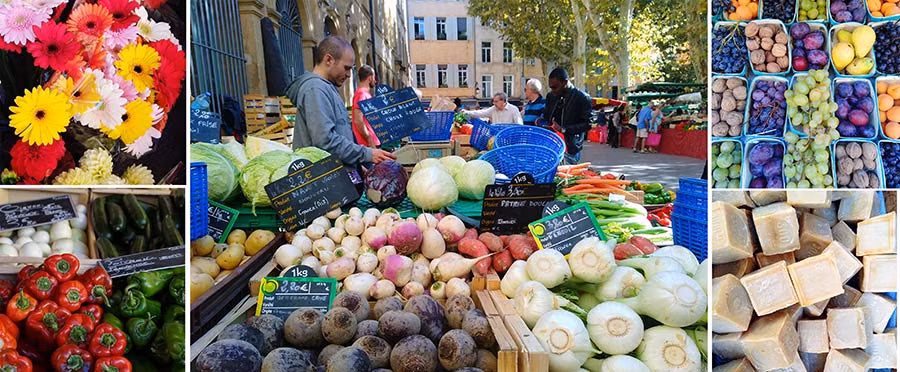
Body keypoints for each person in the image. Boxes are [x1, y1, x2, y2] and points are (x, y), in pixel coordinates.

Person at [286, 36, 395, 169]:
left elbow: (340, 134)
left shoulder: (326, 88)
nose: (349, 74)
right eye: (346, 68)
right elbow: (325, 141)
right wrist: (367, 154)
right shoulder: (315, 89)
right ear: (328, 60)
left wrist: (358, 166)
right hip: (323, 180)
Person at [544, 68, 592, 164]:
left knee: (566, 175)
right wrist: (543, 123)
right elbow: (546, 117)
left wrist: (564, 129)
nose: (553, 91)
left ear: (565, 82)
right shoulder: (551, 96)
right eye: (551, 87)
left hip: (570, 147)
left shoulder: (582, 97)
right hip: (552, 145)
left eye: (555, 87)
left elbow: (587, 124)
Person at [351, 65, 380, 148]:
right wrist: (369, 139)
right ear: (370, 78)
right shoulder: (361, 94)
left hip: (371, 142)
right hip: (366, 144)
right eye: (374, 77)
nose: (375, 80)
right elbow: (358, 120)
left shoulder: (365, 94)